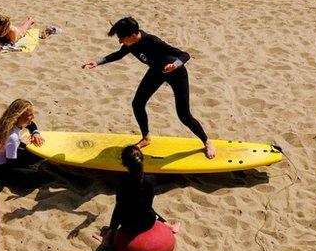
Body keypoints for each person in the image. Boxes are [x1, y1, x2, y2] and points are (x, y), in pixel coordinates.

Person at [82, 17, 216, 159]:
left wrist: (174, 65)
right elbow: (118, 55)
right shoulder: (130, 43)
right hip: (156, 72)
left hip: (176, 74)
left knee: (184, 115)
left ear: (133, 35)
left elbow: (185, 55)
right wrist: (97, 62)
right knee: (137, 104)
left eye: (122, 38)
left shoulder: (152, 41)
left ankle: (207, 142)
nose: (120, 41)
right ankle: (146, 138)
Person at [97, 145, 180, 247]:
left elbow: (119, 209)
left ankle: (108, 237)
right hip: (149, 222)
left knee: (120, 207)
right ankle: (169, 226)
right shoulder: (151, 179)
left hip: (129, 228)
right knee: (144, 206)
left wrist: (112, 230)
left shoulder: (122, 184)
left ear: (124, 164)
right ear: (142, 161)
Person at [0, 99, 45, 179]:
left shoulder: (8, 123)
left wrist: (35, 133)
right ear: (19, 117)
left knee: (37, 156)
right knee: (38, 176)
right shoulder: (12, 137)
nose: (33, 116)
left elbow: (31, 125)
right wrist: (22, 144)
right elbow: (12, 164)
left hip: (6, 158)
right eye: (30, 115)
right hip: (3, 169)